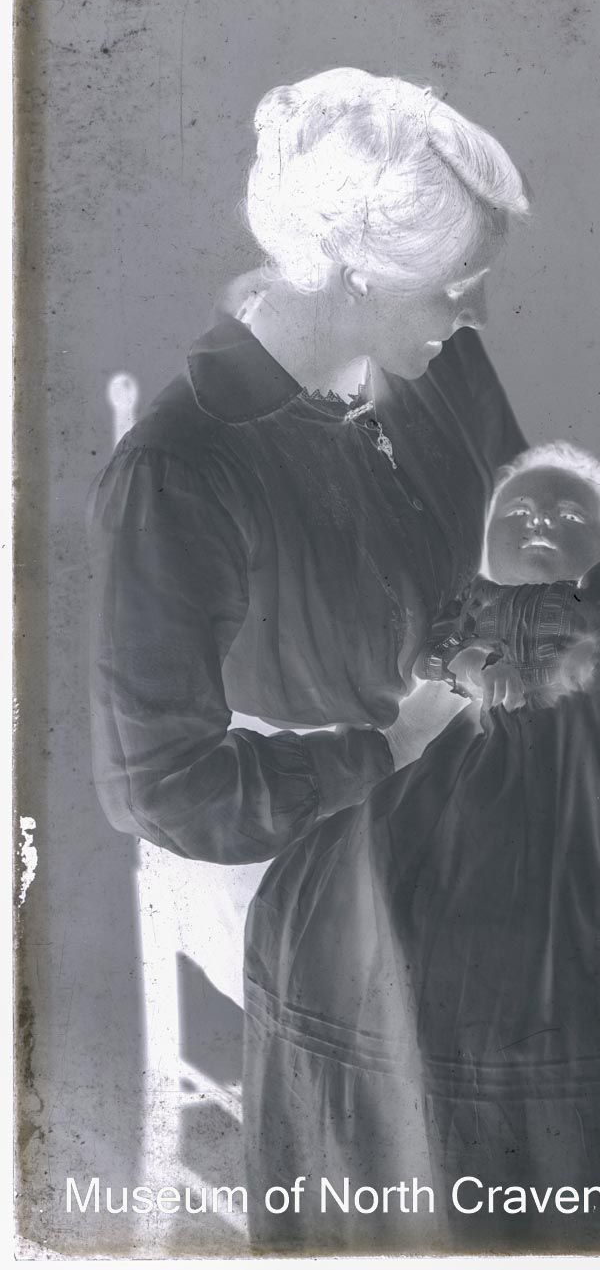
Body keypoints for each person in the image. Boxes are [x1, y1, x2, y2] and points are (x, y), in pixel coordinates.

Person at [86, 65, 529, 1213]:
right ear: (352, 272)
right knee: (540, 1011)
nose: (475, 315)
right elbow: (158, 783)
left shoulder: (442, 364)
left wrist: (533, 632)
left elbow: (519, 536)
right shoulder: (185, 466)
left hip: (470, 788)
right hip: (293, 839)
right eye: (453, 287)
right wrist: (388, 751)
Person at [244, 442, 600, 1253]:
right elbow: (430, 650)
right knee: (401, 870)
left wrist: (594, 647)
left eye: (571, 514)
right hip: (473, 763)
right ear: (485, 536)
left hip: (599, 765)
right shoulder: (468, 601)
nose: (541, 522)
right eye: (519, 511)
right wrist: (471, 662)